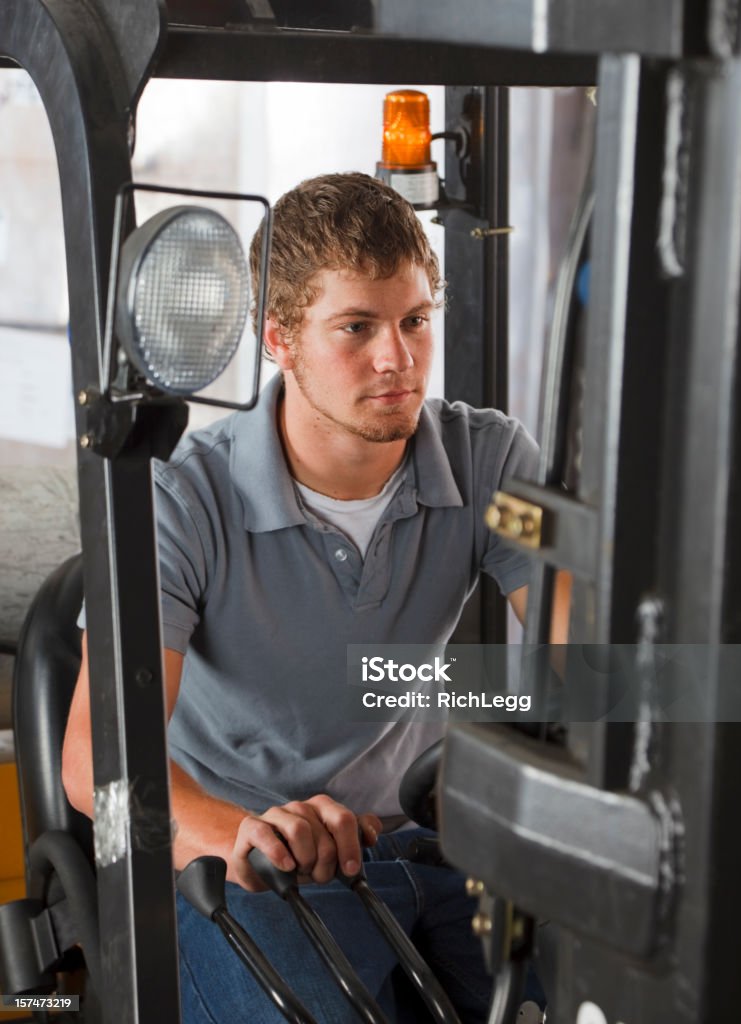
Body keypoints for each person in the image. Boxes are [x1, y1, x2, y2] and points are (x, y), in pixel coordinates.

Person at [62, 172, 552, 1023]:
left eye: (413, 321)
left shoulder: (489, 462)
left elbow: (593, 650)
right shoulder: (182, 498)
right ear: (279, 338)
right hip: (242, 865)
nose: (396, 357)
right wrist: (236, 832)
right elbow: (92, 761)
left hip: (429, 842)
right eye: (356, 328)